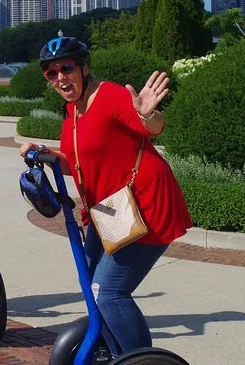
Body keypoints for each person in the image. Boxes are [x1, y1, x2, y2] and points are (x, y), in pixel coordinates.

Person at [19, 36, 192, 357]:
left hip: (145, 205)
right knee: (91, 283)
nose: (60, 78)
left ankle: (142, 361)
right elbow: (76, 162)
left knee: (108, 292)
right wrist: (43, 152)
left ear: (84, 69)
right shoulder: (73, 111)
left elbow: (153, 127)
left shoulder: (110, 95)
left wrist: (147, 115)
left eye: (66, 68)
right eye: (52, 73)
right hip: (111, 211)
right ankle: (117, 353)